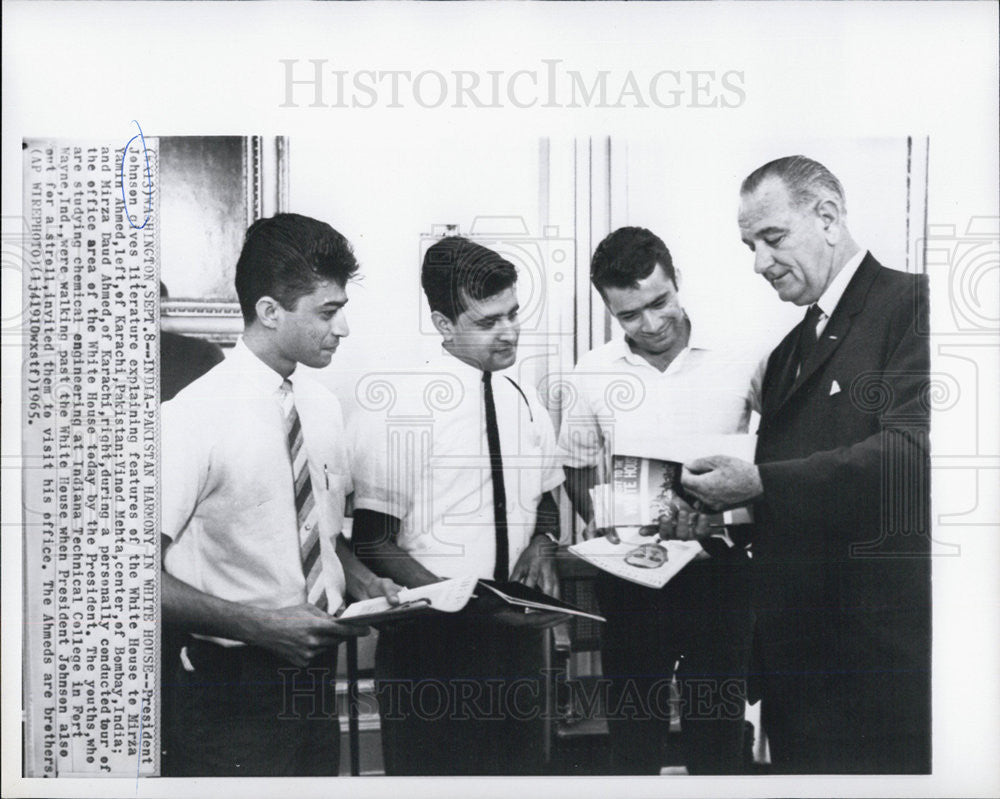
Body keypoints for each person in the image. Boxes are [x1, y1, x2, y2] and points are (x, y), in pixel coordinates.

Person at [680, 156, 931, 774]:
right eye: (750, 245)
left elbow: (911, 458)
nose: (760, 263)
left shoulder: (913, 304)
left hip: (876, 669)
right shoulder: (790, 349)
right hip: (799, 670)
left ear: (827, 217)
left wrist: (760, 482)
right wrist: (719, 513)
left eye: (772, 238)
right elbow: (789, 485)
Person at [160, 213, 401, 776]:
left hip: (316, 679)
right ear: (270, 312)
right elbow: (129, 580)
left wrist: (365, 582)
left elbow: (315, 531)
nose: (342, 329)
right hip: (230, 691)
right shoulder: (191, 416)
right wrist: (262, 627)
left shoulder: (321, 408)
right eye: (327, 311)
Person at [348, 236, 565, 775]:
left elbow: (547, 497)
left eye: (513, 313)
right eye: (487, 321)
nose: (509, 331)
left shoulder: (525, 397)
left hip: (515, 646)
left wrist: (543, 542)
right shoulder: (404, 407)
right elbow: (371, 539)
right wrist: (455, 603)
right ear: (445, 325)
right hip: (432, 649)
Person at [558, 227, 766, 774]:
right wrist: (606, 528)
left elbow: (783, 444)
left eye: (660, 302)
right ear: (608, 309)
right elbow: (576, 465)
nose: (650, 325)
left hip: (721, 573)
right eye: (629, 315)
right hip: (632, 579)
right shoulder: (592, 371)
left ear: (677, 282)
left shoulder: (741, 353)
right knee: (633, 732)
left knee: (718, 731)